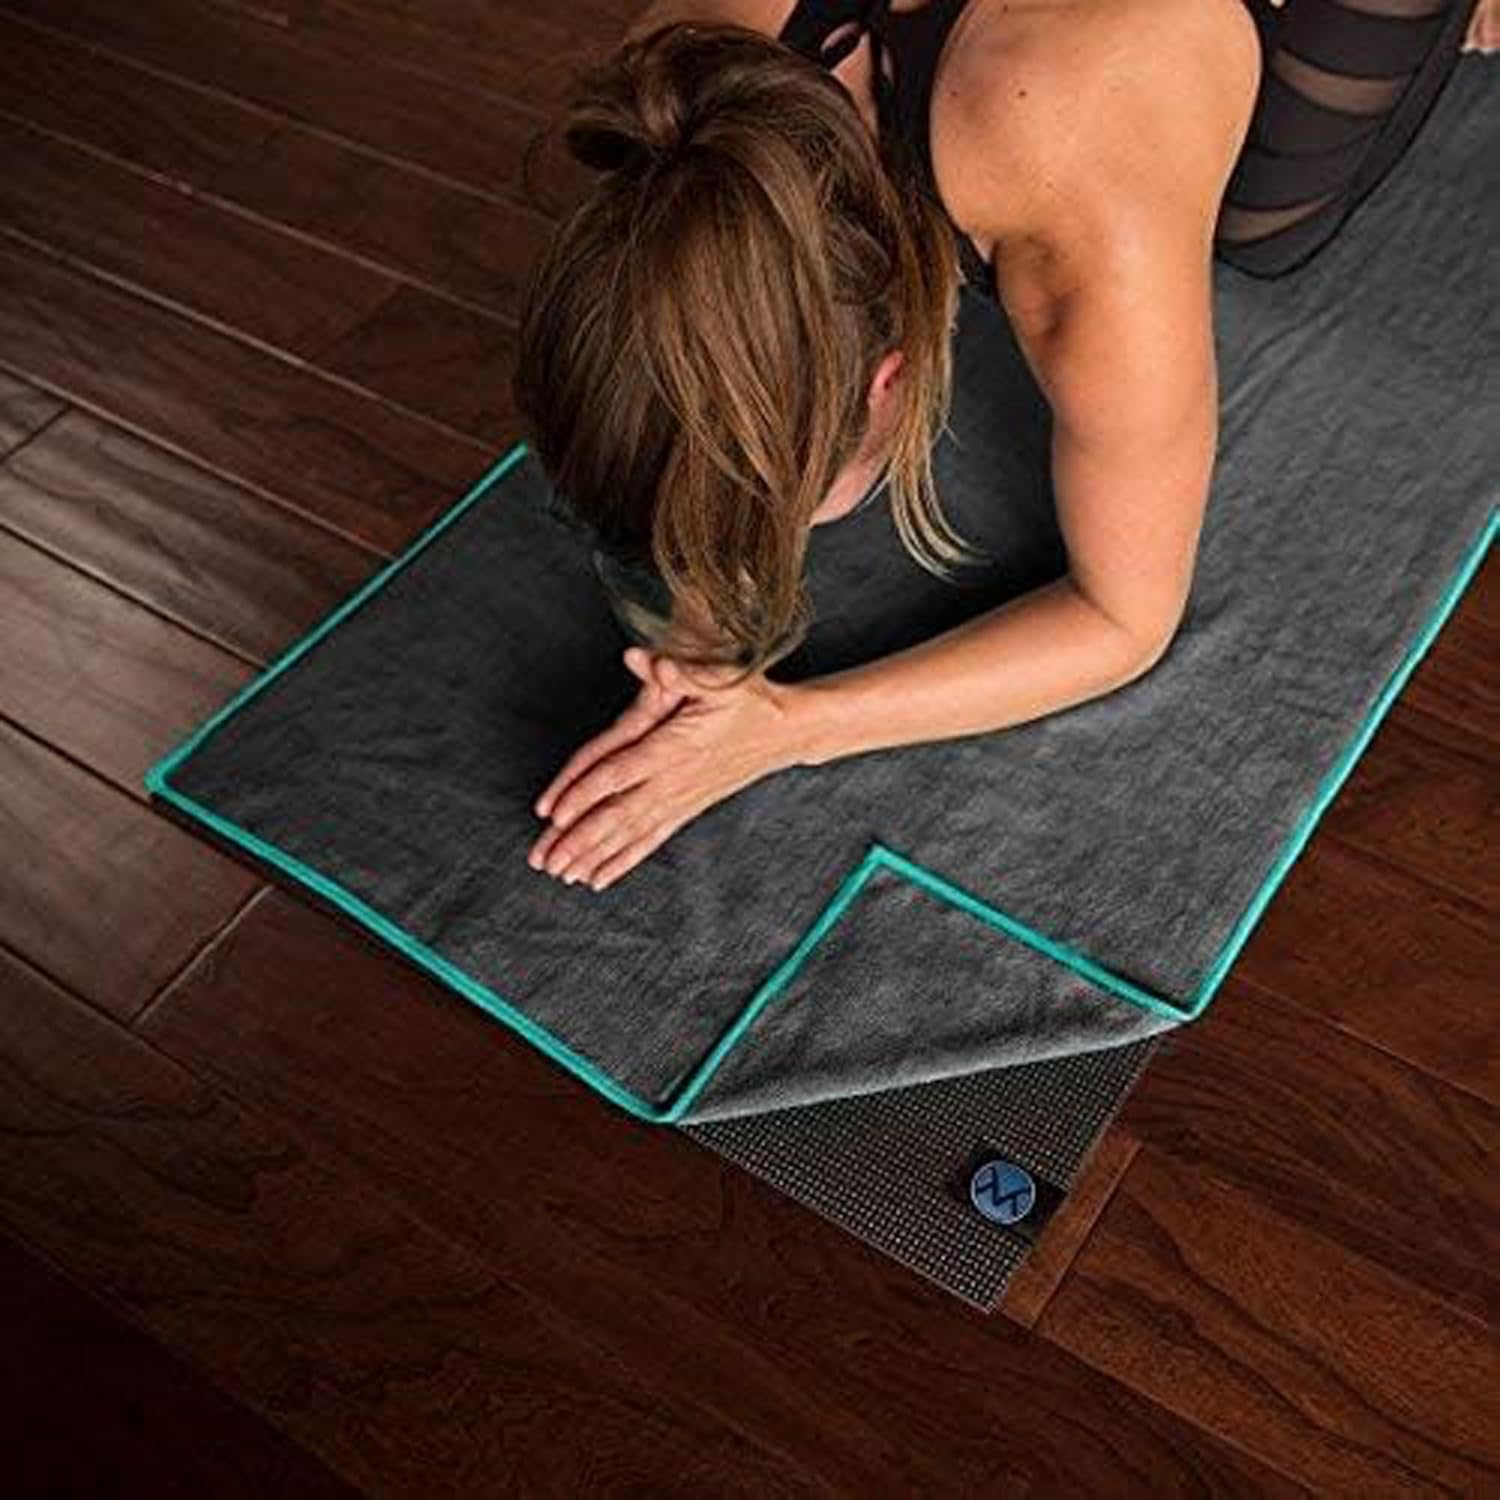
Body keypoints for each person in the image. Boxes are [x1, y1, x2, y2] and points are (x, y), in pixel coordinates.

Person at [513, 0, 1487, 892]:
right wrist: (696, 645)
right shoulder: (677, 72)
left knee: (1266, 229)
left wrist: (789, 728)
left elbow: (1123, 618)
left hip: (1118, 68)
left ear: (891, 378)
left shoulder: (1075, 169)